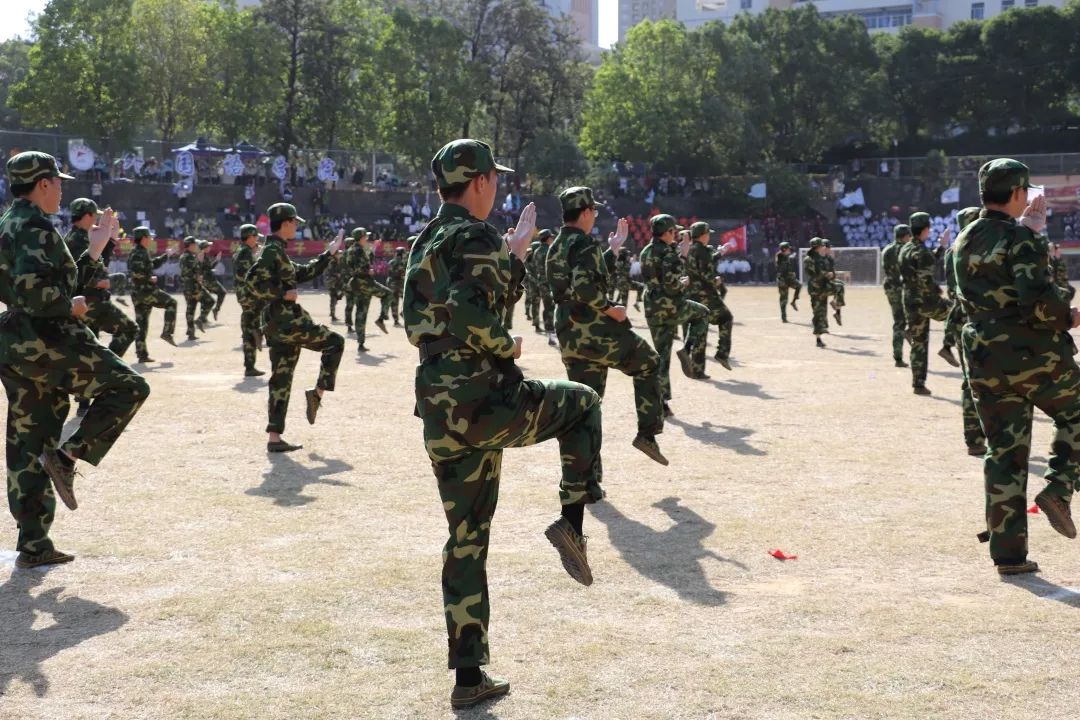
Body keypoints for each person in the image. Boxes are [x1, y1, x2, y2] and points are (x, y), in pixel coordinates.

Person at [406, 140, 602, 709]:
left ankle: (470, 679)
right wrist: (505, 345)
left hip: (440, 408)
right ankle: (571, 521)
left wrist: (512, 257)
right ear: (482, 181)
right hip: (484, 397)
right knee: (584, 402)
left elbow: (432, 310)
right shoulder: (474, 234)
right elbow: (473, 311)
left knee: (465, 539)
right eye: (496, 179)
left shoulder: (429, 239)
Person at [0, 151, 150, 568]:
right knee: (129, 386)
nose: (63, 190)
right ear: (43, 183)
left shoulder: (10, 223)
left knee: (30, 440)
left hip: (16, 345)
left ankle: (34, 543)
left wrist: (95, 247)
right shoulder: (34, 227)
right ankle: (69, 457)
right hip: (46, 339)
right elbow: (40, 294)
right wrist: (73, 307)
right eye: (59, 182)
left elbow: (46, 283)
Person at [950, 158, 1080, 576]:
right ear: (1021, 194)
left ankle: (1009, 555)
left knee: (1004, 453)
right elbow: (1042, 306)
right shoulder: (1020, 238)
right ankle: (1059, 488)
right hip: (1032, 355)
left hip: (984, 358)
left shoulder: (965, 237)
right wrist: (1073, 315)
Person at [546, 187, 667, 465]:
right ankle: (648, 433)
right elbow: (586, 287)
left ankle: (585, 480)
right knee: (648, 362)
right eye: (595, 211)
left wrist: (612, 251)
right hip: (595, 329)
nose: (596, 216)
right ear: (586, 212)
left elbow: (586, 277)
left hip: (569, 332)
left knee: (585, 406)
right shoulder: (585, 243)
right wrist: (611, 310)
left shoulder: (557, 245)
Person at [243, 204, 344, 453]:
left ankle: (274, 437)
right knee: (335, 342)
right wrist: (283, 294)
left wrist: (328, 254)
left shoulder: (277, 252)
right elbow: (252, 283)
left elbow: (303, 273)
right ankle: (317, 394)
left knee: (281, 379)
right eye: (295, 222)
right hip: (289, 322)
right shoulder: (271, 252)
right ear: (286, 223)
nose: (297, 227)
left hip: (278, 325)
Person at [639, 214, 708, 415]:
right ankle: (687, 348)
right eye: (674, 232)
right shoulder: (669, 253)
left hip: (652, 308)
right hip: (670, 306)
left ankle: (662, 404)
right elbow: (672, 283)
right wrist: (683, 259)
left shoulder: (645, 251)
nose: (675, 235)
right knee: (702, 313)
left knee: (662, 356)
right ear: (668, 232)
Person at [63, 198, 138, 363]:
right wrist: (97, 282)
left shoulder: (78, 236)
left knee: (90, 348)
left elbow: (98, 262)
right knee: (129, 329)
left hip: (86, 300)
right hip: (89, 300)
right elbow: (77, 271)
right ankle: (108, 368)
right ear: (87, 215)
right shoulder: (79, 239)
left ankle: (98, 372)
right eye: (95, 216)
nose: (97, 220)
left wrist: (109, 241)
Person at [946, 207, 986, 457]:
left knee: (970, 379)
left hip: (962, 319)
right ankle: (977, 436)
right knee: (979, 381)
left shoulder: (953, 249)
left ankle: (974, 437)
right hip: (979, 320)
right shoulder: (977, 249)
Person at [899, 212, 951, 395]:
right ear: (927, 229)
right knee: (956, 313)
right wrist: (936, 290)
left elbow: (926, 262)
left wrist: (941, 247)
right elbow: (925, 278)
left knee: (919, 343)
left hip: (909, 300)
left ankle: (918, 383)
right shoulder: (922, 252)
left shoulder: (905, 249)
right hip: (925, 301)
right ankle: (948, 346)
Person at [684, 222, 733, 374]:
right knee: (726, 318)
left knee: (701, 330)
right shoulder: (703, 251)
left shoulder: (691, 249)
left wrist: (719, 253)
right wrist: (715, 280)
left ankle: (697, 369)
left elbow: (702, 264)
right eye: (708, 234)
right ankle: (722, 353)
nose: (709, 236)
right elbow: (706, 272)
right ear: (703, 235)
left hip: (693, 294)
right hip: (707, 294)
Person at [127, 227, 177, 363]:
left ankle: (142, 355)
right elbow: (134, 272)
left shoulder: (140, 252)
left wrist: (166, 255)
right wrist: (149, 278)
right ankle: (167, 332)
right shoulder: (138, 253)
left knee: (142, 324)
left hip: (139, 293)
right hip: (145, 291)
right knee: (172, 303)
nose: (151, 240)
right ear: (143, 238)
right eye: (149, 237)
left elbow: (150, 265)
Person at [345, 228, 390, 352]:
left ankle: (361, 343)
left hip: (357, 283)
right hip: (365, 282)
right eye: (366, 236)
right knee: (388, 294)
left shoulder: (352, 249)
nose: (367, 239)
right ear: (361, 237)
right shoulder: (358, 250)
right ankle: (381, 318)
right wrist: (368, 271)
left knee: (361, 313)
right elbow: (358, 268)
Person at [235, 224, 265, 377]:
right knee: (250, 329)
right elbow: (250, 275)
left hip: (247, 296)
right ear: (250, 237)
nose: (257, 240)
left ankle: (250, 365)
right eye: (256, 237)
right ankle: (250, 366)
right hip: (249, 297)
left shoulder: (244, 252)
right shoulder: (245, 254)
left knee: (250, 329)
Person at [881, 225, 910, 367]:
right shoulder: (906, 249)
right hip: (902, 288)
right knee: (906, 319)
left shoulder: (887, 249)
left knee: (898, 320)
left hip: (890, 287)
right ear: (905, 236)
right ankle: (908, 335)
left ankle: (898, 356)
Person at [531, 228, 556, 345]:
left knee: (547, 307)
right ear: (548, 239)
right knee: (551, 308)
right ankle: (551, 333)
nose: (552, 239)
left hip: (541, 282)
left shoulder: (536, 251)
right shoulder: (550, 251)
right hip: (550, 282)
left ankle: (549, 331)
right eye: (551, 237)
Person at [803, 238, 829, 348]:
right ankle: (818, 338)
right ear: (817, 246)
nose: (823, 247)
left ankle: (820, 330)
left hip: (822, 287)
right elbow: (815, 273)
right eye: (821, 245)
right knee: (818, 312)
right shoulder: (809, 259)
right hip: (815, 289)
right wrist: (826, 274)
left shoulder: (820, 258)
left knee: (822, 311)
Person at [179, 236, 203, 340]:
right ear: (191, 245)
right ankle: (191, 331)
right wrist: (197, 278)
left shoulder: (186, 256)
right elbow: (190, 273)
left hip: (189, 285)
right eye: (195, 244)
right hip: (191, 286)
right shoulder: (188, 257)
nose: (196, 246)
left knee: (191, 308)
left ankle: (190, 330)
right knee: (191, 308)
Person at [198, 243, 228, 321]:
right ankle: (215, 310)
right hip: (208, 280)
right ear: (204, 248)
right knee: (222, 292)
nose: (209, 247)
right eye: (208, 246)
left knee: (207, 299)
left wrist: (217, 260)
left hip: (207, 279)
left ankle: (203, 317)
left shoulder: (204, 256)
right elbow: (201, 269)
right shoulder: (201, 256)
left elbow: (209, 267)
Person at [821, 239, 845, 326]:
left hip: (827, 282)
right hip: (820, 285)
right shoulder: (817, 259)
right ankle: (836, 311)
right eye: (829, 247)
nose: (830, 249)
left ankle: (835, 305)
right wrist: (826, 275)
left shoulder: (829, 258)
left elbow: (833, 273)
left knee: (841, 284)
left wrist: (832, 275)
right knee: (839, 286)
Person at [775, 241, 800, 323]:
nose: (790, 250)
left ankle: (793, 301)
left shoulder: (786, 256)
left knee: (799, 285)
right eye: (788, 248)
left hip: (789, 279)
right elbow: (782, 267)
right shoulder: (780, 256)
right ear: (784, 249)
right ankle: (783, 316)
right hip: (783, 280)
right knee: (784, 299)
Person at [387, 245, 407, 327]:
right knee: (406, 300)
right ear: (402, 253)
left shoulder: (391, 261)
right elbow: (403, 273)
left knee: (394, 302)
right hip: (400, 283)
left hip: (391, 283)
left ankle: (395, 320)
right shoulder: (403, 262)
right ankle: (403, 313)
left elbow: (389, 272)